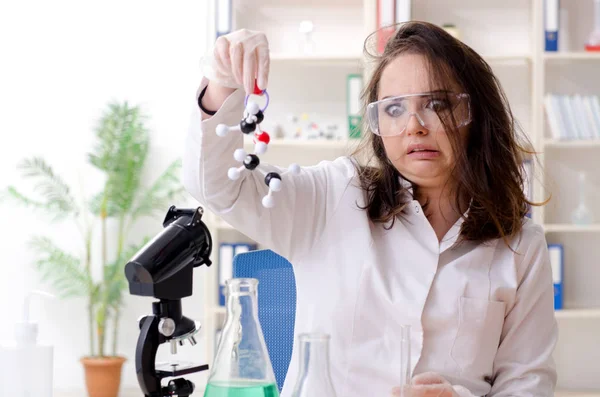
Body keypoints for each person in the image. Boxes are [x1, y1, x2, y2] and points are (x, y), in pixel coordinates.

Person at [183, 21, 558, 397]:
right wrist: (221, 82)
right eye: (394, 108)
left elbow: (527, 385)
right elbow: (216, 187)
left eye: (437, 104)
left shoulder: (521, 247)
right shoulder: (333, 195)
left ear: (475, 116)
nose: (414, 126)